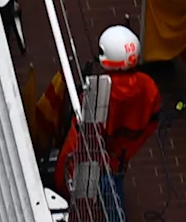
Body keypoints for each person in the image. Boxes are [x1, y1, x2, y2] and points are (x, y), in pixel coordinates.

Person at [57, 26, 163, 182]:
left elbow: (82, 135)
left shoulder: (97, 93)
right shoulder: (149, 87)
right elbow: (151, 123)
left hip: (93, 161)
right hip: (119, 159)